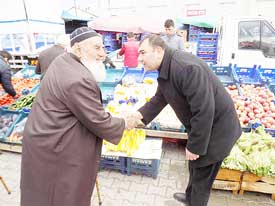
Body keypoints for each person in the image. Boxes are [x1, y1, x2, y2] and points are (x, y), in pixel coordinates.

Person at [20, 27, 135, 206]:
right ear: (78, 49)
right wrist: (124, 122)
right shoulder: (78, 79)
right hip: (56, 147)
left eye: (103, 48)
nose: (103, 54)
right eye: (97, 48)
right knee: (64, 195)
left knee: (43, 193)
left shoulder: (63, 61)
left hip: (46, 140)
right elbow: (98, 120)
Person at [131, 35, 242, 206]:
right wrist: (138, 116)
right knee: (194, 165)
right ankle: (189, 197)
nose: (139, 58)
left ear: (159, 51)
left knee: (202, 178)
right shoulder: (166, 67)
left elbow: (204, 110)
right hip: (203, 127)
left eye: (143, 53)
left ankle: (195, 201)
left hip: (217, 130)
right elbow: (160, 98)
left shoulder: (186, 68)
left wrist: (195, 146)